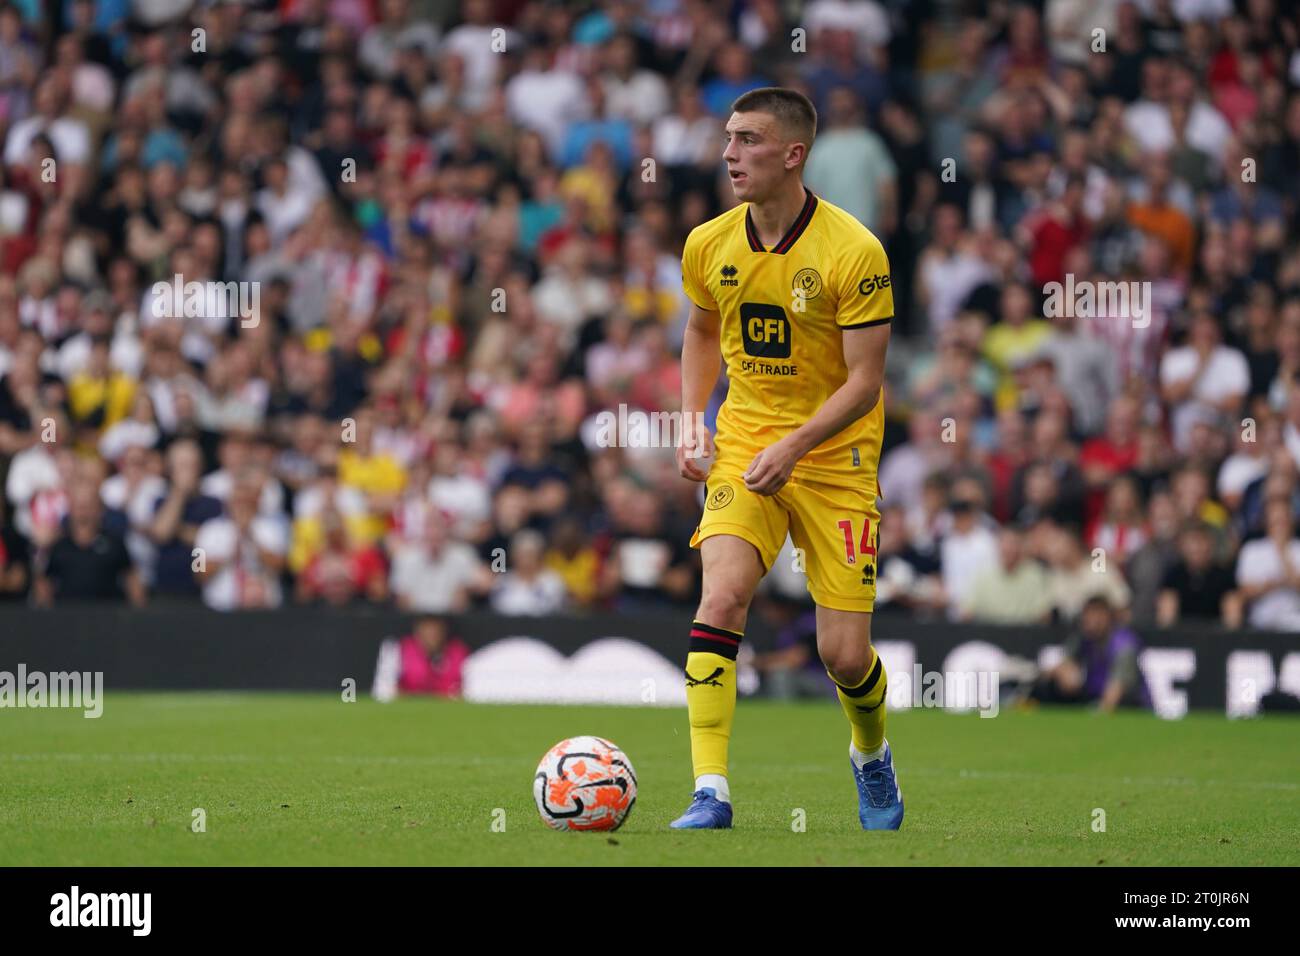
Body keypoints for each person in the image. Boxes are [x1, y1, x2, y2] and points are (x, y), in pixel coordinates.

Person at [674, 87, 901, 830]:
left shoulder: (855, 251)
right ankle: (711, 792)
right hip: (745, 441)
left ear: (792, 154)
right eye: (728, 139)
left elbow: (866, 382)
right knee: (722, 599)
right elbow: (703, 335)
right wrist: (691, 423)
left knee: (842, 655)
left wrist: (797, 445)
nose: (730, 154)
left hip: (835, 457)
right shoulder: (709, 242)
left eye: (747, 141)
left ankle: (871, 757)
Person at [1030, 595, 1152, 712]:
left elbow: (1116, 690)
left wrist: (1099, 710)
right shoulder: (1085, 638)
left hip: (1127, 706)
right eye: (1087, 615)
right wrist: (1065, 673)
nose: (1090, 621)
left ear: (1107, 617)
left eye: (1095, 615)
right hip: (1094, 697)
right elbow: (1062, 666)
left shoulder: (1123, 644)